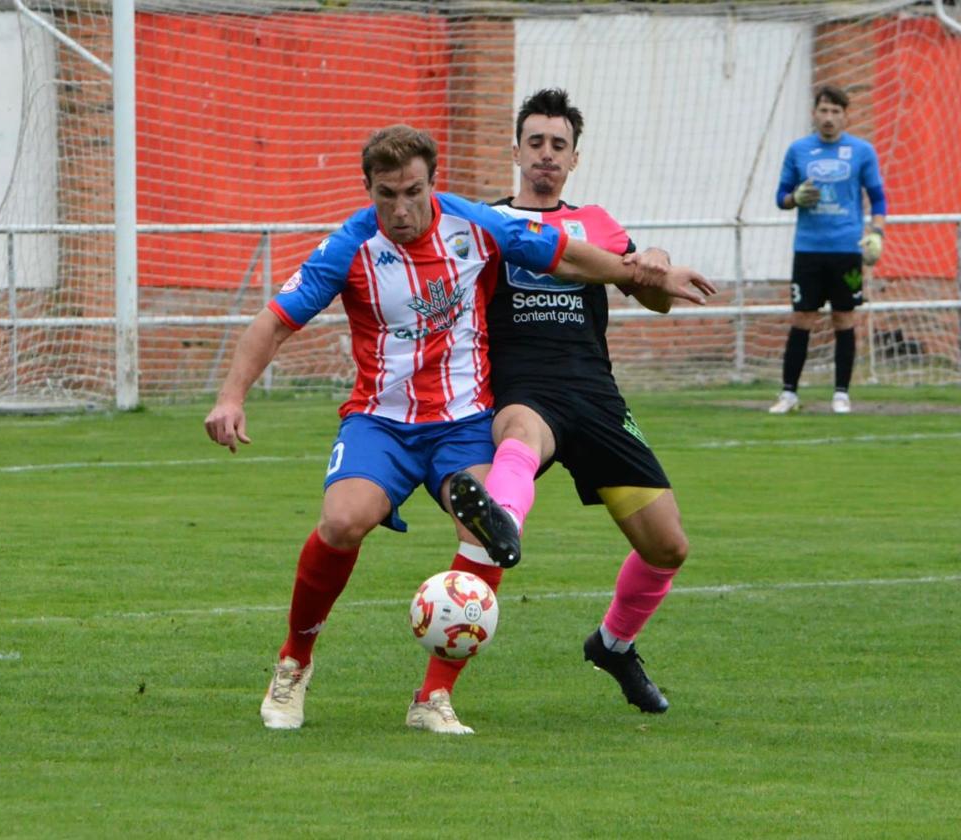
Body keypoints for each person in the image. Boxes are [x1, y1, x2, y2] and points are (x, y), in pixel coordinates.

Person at [203, 124, 713, 734]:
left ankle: (433, 697)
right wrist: (231, 397)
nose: (400, 208)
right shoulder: (348, 246)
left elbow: (566, 254)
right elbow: (274, 323)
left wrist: (642, 276)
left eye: (412, 191)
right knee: (341, 522)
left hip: (464, 422)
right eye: (386, 194)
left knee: (485, 526)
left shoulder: (476, 224)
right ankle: (294, 663)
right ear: (368, 189)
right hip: (381, 422)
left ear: (432, 183)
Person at [412, 89, 717, 725]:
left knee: (668, 548)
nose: (546, 155)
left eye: (558, 145)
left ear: (574, 159)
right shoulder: (487, 223)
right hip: (523, 388)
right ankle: (437, 684)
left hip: (597, 398)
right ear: (516, 150)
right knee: (517, 445)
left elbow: (649, 293)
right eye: (535, 143)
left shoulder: (598, 222)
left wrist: (654, 262)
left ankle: (613, 645)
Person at [770, 84, 887, 415]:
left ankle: (841, 394)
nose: (829, 118)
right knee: (802, 317)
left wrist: (877, 232)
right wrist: (797, 198)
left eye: (836, 111)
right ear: (814, 113)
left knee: (844, 317)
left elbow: (878, 197)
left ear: (846, 116)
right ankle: (789, 394)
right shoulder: (798, 151)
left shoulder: (862, 151)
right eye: (823, 110)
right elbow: (781, 197)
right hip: (808, 249)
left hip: (847, 249)